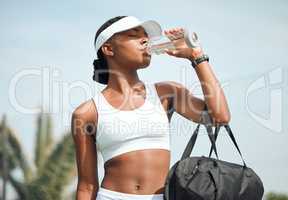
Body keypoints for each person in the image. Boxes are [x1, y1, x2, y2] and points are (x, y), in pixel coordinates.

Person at [71, 16, 231, 200]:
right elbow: (87, 185)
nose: (145, 40)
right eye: (134, 35)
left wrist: (196, 55)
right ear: (108, 49)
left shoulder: (167, 93)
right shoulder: (86, 113)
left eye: (146, 36)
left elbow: (220, 116)